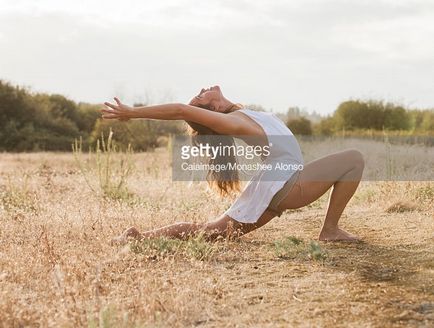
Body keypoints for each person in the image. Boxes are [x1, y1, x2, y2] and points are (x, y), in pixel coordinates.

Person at [101, 85, 364, 244]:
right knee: (353, 159)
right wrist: (131, 112)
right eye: (200, 95)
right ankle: (329, 229)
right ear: (212, 108)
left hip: (272, 186)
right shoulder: (234, 121)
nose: (203, 89)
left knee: (213, 233)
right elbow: (181, 110)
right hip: (286, 183)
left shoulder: (241, 116)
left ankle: (139, 237)